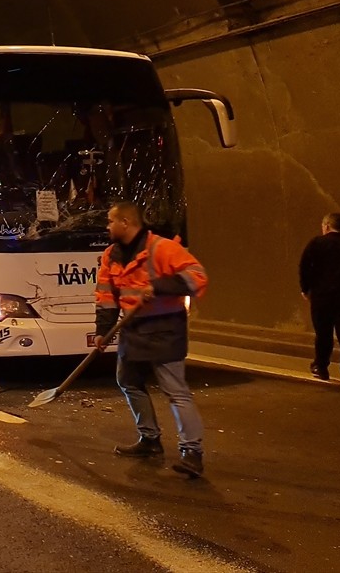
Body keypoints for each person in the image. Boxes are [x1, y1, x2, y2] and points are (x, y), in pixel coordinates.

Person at [94, 201, 209, 478]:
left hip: (164, 329)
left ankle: (192, 452)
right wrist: (102, 330)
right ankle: (150, 439)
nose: (108, 227)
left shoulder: (163, 248)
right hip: (133, 329)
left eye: (111, 222)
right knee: (129, 381)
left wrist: (157, 286)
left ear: (126, 222)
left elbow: (197, 277)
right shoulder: (111, 255)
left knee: (175, 390)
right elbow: (107, 298)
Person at [299, 212, 340, 392]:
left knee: (323, 334)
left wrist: (306, 289)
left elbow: (304, 267)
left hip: (321, 298)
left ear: (327, 226)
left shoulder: (315, 244)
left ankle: (321, 367)